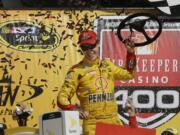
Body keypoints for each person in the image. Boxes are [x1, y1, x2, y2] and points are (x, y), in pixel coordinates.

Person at [57, 30, 136, 135]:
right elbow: (61, 98)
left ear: (98, 44)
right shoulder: (76, 71)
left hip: (114, 121)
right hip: (93, 125)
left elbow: (129, 74)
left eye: (92, 46)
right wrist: (74, 109)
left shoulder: (107, 65)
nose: (89, 51)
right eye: (85, 48)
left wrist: (130, 53)